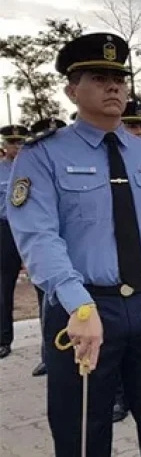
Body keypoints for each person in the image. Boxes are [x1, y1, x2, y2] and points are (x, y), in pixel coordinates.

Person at [7, 32, 141, 455]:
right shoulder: (42, 156)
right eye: (99, 77)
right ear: (71, 89)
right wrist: (78, 305)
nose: (114, 86)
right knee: (83, 431)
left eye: (120, 77)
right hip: (84, 309)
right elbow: (38, 237)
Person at [0, 125, 32, 361]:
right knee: (4, 286)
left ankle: (50, 349)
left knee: (45, 288)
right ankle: (3, 339)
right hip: (6, 229)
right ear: (5, 145)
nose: (17, 146)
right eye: (13, 142)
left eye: (21, 141)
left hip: (33, 228)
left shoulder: (35, 167)